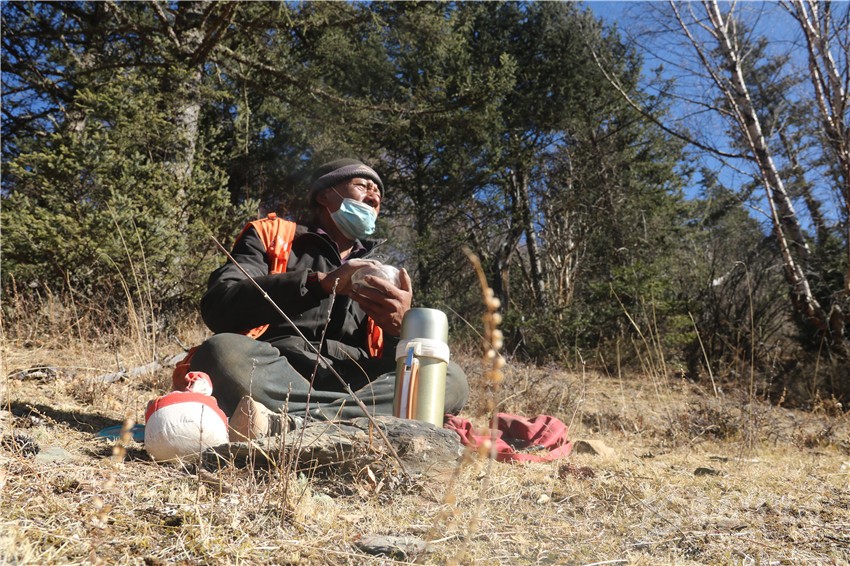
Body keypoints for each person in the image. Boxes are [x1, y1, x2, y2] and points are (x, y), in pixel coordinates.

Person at [188, 158, 469, 438]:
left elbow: (393, 363)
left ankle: (295, 425)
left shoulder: (384, 273)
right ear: (325, 195)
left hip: (355, 380)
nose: (374, 197)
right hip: (281, 370)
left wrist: (399, 330)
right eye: (363, 186)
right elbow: (219, 306)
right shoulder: (272, 236)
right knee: (221, 351)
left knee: (449, 377)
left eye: (378, 194)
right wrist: (319, 283)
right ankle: (359, 423)